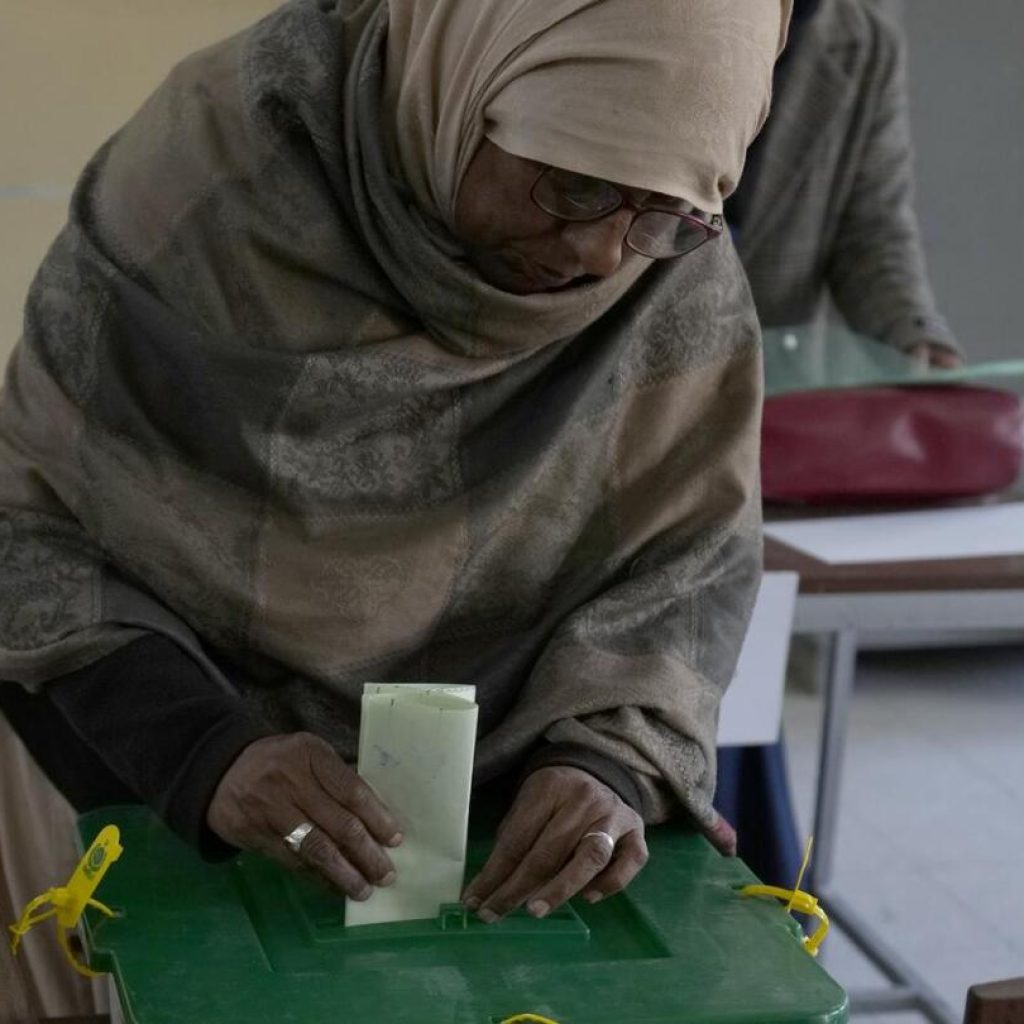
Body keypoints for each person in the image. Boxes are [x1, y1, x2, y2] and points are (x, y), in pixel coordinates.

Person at [0, 0, 791, 1004]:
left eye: (663, 214)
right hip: (137, 780)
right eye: (575, 185)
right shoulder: (210, 179)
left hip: (498, 849)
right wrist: (210, 751)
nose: (597, 258)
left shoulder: (657, 266)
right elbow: (29, 528)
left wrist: (609, 759)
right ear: (463, 83)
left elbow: (689, 559)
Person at [715, 0, 961, 889]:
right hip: (598, 365)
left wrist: (916, 347)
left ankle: (746, 892)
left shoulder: (860, 34)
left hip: (744, 399)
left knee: (725, 656)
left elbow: (873, 229)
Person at [728, 0, 962, 369]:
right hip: (630, 364)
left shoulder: (866, 43)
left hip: (767, 379)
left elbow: (872, 228)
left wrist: (914, 333)